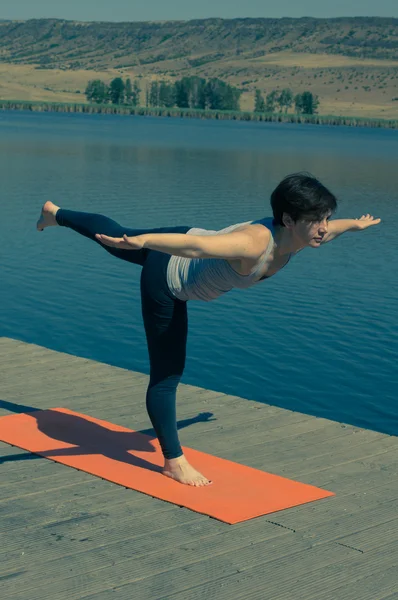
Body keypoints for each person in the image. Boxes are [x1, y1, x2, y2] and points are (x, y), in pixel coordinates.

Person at [36, 172, 381, 487]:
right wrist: (146, 242)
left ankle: (55, 213)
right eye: (316, 220)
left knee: (116, 234)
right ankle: (174, 462)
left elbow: (330, 230)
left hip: (185, 241)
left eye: (327, 218)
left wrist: (354, 225)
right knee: (167, 374)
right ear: (288, 220)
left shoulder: (304, 235)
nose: (324, 227)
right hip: (168, 280)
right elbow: (198, 249)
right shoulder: (252, 243)